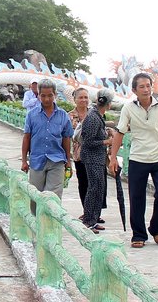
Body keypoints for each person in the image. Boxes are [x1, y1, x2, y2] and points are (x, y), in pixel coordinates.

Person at [108, 73, 158, 248]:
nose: (146, 89)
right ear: (134, 90)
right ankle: (138, 234)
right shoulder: (128, 108)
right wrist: (113, 157)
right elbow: (120, 132)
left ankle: (156, 228)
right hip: (138, 158)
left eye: (148, 86)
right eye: (142, 87)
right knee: (136, 198)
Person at [21, 79, 73, 215]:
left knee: (53, 198)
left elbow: (67, 139)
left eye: (50, 95)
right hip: (37, 160)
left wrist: (68, 161)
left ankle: (50, 228)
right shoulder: (32, 115)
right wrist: (24, 160)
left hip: (57, 160)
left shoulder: (63, 116)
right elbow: (27, 137)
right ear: (38, 95)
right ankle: (36, 225)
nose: (46, 99)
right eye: (43, 95)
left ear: (55, 94)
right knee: (35, 196)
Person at [79, 90, 114, 233]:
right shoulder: (93, 117)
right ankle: (88, 220)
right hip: (92, 158)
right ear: (109, 104)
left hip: (97, 158)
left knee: (99, 189)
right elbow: (88, 142)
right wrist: (107, 141)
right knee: (94, 189)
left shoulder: (96, 116)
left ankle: (94, 219)